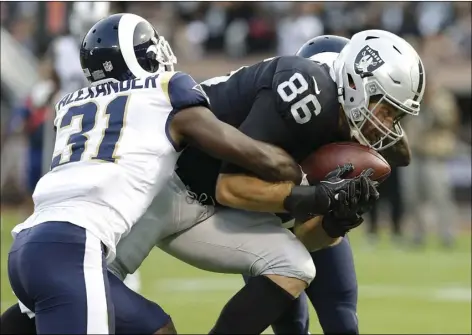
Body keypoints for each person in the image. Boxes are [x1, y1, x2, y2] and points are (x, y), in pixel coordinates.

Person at [3, 29, 423, 334]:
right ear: (349, 84)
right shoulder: (303, 94)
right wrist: (312, 192)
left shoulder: (337, 133)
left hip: (213, 212)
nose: (386, 125)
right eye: (384, 110)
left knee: (295, 266)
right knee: (70, 287)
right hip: (165, 191)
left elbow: (301, 233)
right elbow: (232, 184)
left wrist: (335, 218)